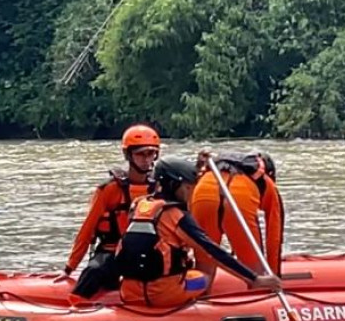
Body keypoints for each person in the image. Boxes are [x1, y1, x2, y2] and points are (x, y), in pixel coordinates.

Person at [116, 156, 281, 307]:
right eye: (187, 188)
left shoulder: (138, 205)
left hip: (129, 292)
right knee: (204, 278)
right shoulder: (176, 216)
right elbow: (212, 251)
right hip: (162, 294)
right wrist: (254, 279)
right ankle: (200, 310)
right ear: (174, 185)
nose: (190, 194)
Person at [58, 124, 159, 297]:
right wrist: (70, 268)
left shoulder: (159, 187)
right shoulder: (109, 189)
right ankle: (76, 306)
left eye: (151, 153)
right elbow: (87, 230)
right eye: (140, 154)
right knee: (95, 271)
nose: (146, 159)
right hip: (112, 252)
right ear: (128, 155)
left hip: (147, 253)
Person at [189, 150, 285, 276]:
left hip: (203, 194)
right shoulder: (267, 183)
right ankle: (259, 288)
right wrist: (274, 273)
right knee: (256, 274)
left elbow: (187, 215)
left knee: (205, 265)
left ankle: (199, 290)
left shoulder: (210, 171)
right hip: (239, 200)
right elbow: (274, 234)